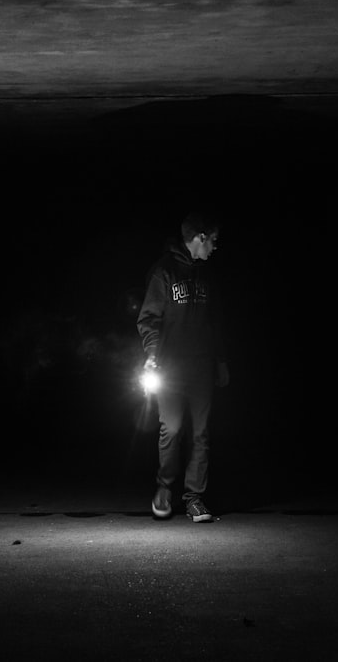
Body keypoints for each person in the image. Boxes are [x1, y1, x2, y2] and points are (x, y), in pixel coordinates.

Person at [136, 212, 230, 522]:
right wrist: (151, 353)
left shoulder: (207, 274)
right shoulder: (164, 272)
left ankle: (194, 498)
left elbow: (215, 322)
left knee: (201, 434)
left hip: (201, 366)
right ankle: (164, 488)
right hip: (171, 369)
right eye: (213, 240)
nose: (215, 247)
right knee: (172, 429)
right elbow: (148, 318)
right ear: (201, 237)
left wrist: (219, 360)